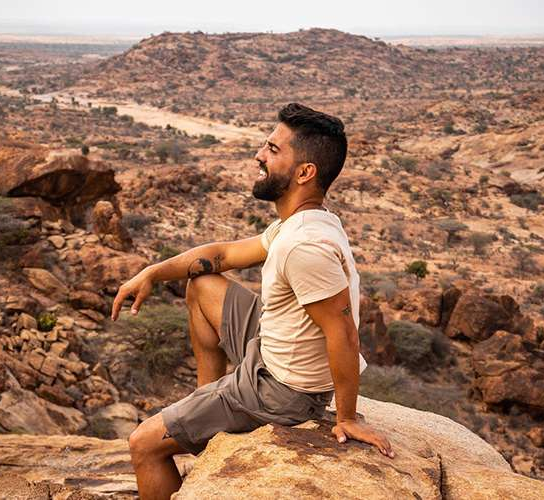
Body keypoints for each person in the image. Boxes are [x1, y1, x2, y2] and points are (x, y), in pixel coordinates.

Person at [110, 103, 393, 500]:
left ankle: (209, 413)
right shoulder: (300, 222)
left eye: (273, 150)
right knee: (202, 282)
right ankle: (206, 408)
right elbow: (222, 256)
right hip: (273, 346)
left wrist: (346, 417)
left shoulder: (304, 246)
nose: (260, 155)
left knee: (143, 444)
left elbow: (343, 334)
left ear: (304, 172)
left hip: (282, 390)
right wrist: (153, 273)